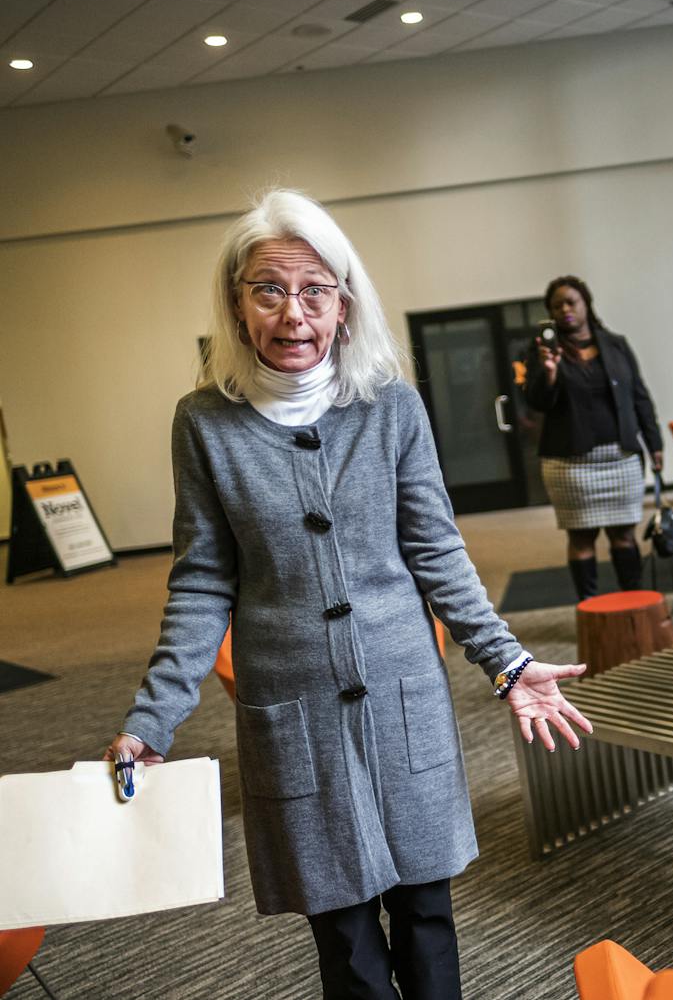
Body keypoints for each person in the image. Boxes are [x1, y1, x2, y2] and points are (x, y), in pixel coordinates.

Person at [102, 189, 592, 1000]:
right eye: (269, 289)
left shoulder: (392, 406)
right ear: (236, 302)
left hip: (403, 695)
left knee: (428, 917)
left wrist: (507, 662)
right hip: (291, 711)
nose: (293, 313)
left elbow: (435, 549)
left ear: (343, 303)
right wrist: (154, 717)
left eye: (314, 291)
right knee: (346, 938)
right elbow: (201, 578)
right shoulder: (204, 424)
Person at [522, 275, 664, 601]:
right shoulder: (543, 350)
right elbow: (537, 401)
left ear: (586, 303)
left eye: (572, 302)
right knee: (581, 536)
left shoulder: (616, 345)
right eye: (557, 305)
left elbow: (639, 395)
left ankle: (635, 604)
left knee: (624, 535)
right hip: (570, 463)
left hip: (621, 456)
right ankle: (590, 607)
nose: (565, 309)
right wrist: (550, 371)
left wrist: (654, 442)